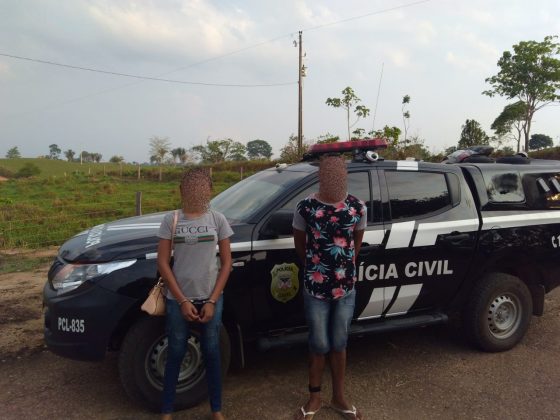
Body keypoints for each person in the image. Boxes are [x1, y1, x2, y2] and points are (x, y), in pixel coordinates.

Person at [292, 155, 366, 420]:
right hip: (316, 288)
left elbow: (356, 243)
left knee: (339, 342)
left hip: (346, 288)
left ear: (345, 175)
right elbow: (300, 244)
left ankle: (339, 397)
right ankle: (314, 397)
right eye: (329, 172)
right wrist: (317, 268)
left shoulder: (357, 207)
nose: (334, 177)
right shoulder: (305, 207)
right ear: (320, 176)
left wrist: (342, 269)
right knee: (318, 343)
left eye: (339, 172)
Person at [157, 168, 233, 420]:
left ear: (209, 190)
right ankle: (167, 410)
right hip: (177, 300)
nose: (196, 191)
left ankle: (216, 409)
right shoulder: (171, 220)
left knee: (212, 352)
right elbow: (163, 263)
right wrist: (181, 300)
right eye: (190, 187)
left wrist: (212, 300)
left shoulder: (218, 219)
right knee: (176, 351)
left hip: (211, 297)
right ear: (182, 190)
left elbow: (227, 263)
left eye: (201, 187)